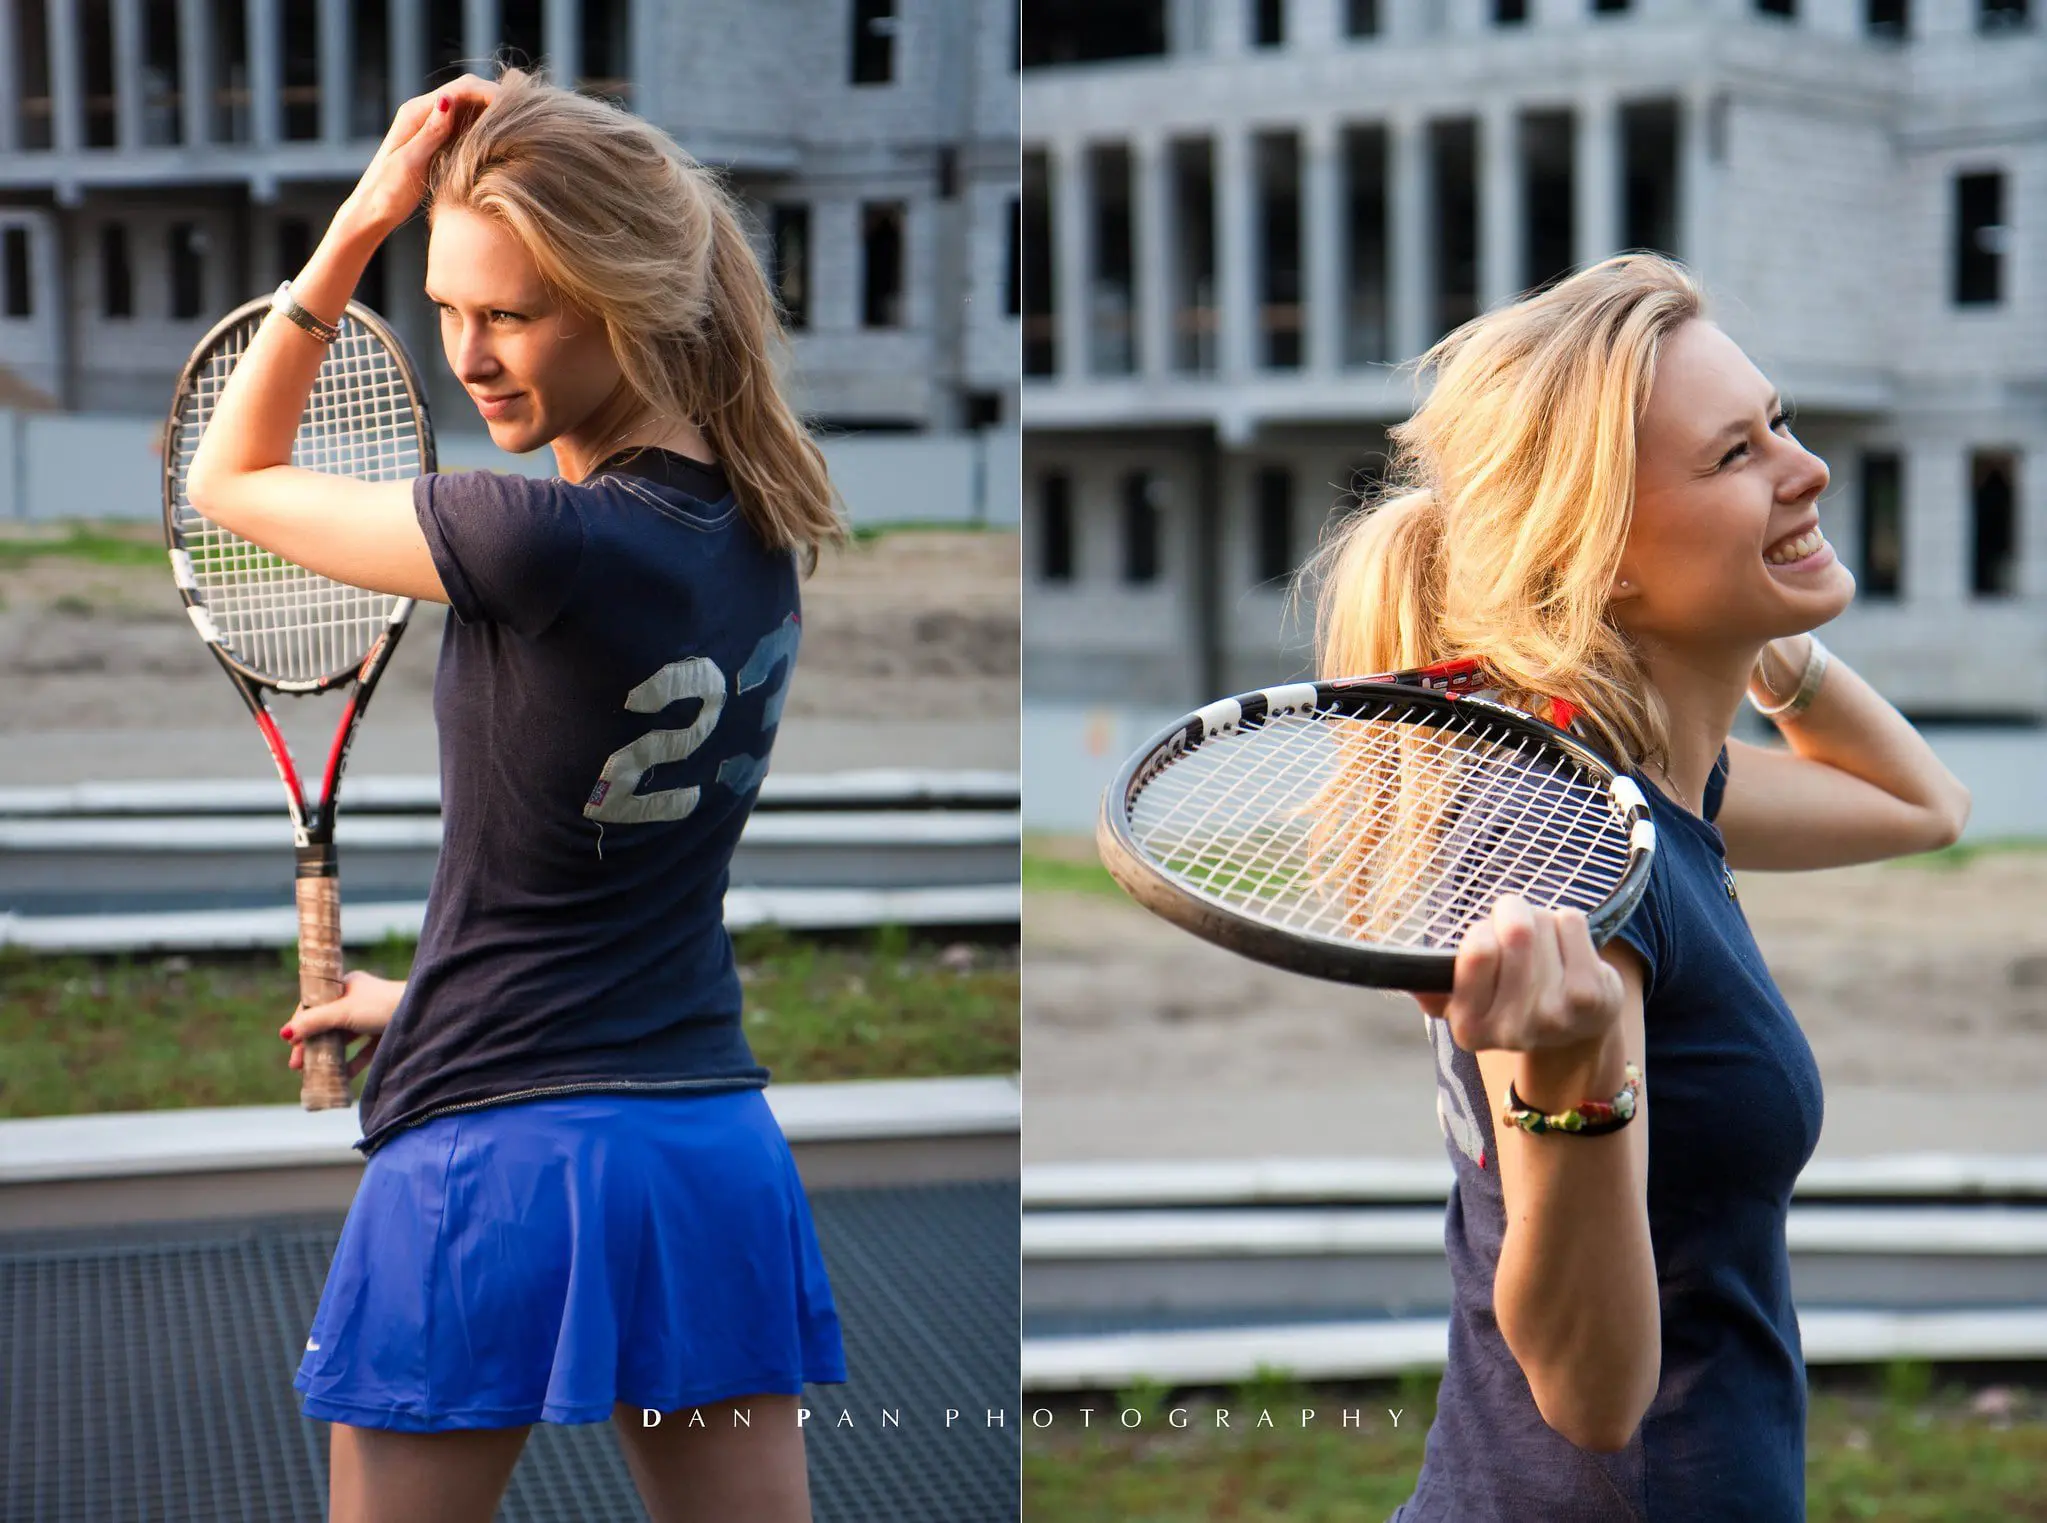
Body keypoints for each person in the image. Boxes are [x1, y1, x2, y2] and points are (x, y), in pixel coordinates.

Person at [184, 64, 848, 1523]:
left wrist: (359, 224)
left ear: (627, 301)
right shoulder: (760, 528)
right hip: (708, 1151)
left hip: (493, 1161)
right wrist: (425, 990)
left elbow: (226, 477)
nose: (471, 357)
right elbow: (601, 867)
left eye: (513, 315)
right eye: (446, 310)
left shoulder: (531, 536)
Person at [1306, 253, 1971, 1521]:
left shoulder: (1653, 788)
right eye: (1734, 456)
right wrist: (1575, 1080)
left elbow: (1922, 806)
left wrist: (1767, 635)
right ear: (1602, 552)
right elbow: (1590, 1394)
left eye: (1777, 422)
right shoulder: (1565, 849)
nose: (1806, 468)